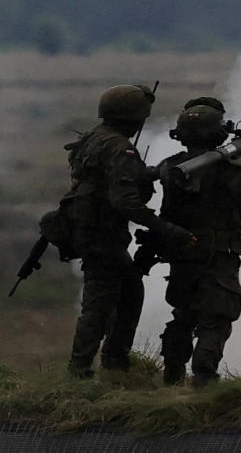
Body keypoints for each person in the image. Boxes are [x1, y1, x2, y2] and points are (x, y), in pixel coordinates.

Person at [63, 85, 194, 378]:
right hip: (103, 237)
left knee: (127, 294)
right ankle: (83, 370)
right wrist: (166, 228)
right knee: (99, 304)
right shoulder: (119, 147)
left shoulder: (94, 139)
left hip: (91, 232)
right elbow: (125, 202)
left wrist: (147, 173)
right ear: (134, 116)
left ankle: (113, 364)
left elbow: (103, 180)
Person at [157, 97, 241, 388]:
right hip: (219, 253)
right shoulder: (233, 171)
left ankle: (172, 376)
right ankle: (205, 379)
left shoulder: (170, 168)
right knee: (216, 317)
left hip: (183, 251)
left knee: (183, 314)